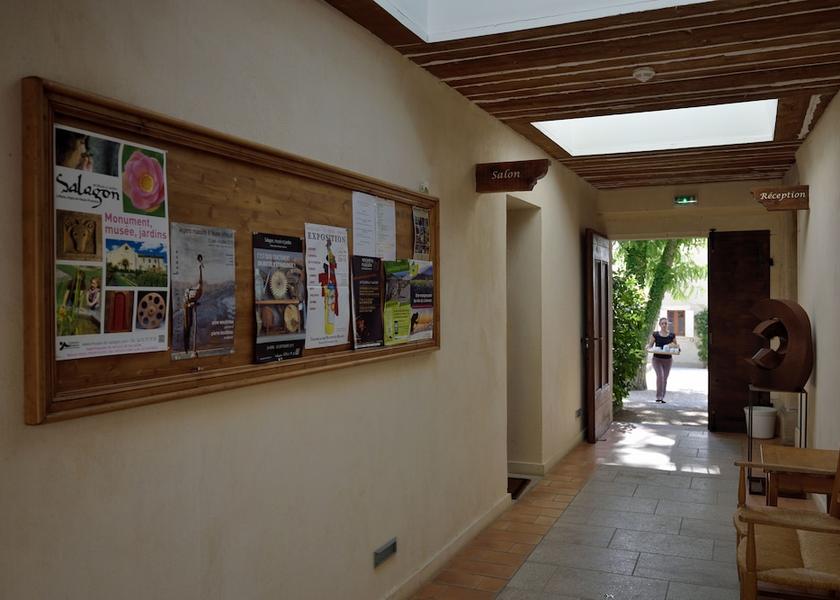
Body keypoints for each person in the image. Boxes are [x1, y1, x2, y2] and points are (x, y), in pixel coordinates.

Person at [647, 317, 680, 403]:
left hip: (668, 360)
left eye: (666, 323)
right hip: (657, 359)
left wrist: (676, 347)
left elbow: (676, 346)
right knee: (660, 376)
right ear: (660, 325)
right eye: (662, 323)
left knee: (664, 378)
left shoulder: (672, 335)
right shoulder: (655, 334)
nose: (664, 325)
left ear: (668, 325)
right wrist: (647, 347)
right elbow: (650, 345)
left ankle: (662, 396)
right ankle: (659, 397)